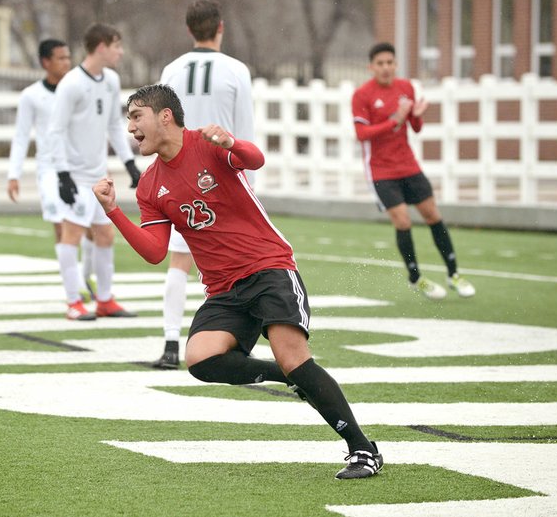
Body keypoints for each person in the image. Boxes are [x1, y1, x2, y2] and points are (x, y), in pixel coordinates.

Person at [92, 84, 383, 480]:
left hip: (268, 268)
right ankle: (287, 376)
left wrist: (232, 141)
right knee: (200, 359)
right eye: (128, 120)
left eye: (136, 116)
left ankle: (362, 449)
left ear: (165, 116)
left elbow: (255, 159)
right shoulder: (149, 185)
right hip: (224, 289)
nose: (130, 128)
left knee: (294, 355)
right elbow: (154, 252)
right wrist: (113, 212)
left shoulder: (209, 144)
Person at [152, 0, 255, 369]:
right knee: (241, 265)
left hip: (183, 176)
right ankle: (240, 342)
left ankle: (169, 345)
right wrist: (252, 189)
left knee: (179, 261)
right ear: (220, 27)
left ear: (189, 29)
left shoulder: (172, 69)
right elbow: (245, 132)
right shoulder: (236, 70)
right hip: (224, 177)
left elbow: (158, 126)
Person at [351, 42, 475, 300]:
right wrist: (393, 120)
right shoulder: (362, 95)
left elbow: (415, 128)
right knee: (403, 221)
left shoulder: (406, 87)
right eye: (380, 63)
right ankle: (415, 277)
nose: (386, 68)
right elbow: (361, 134)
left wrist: (416, 116)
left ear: (396, 65)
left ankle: (454, 274)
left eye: (390, 63)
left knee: (432, 215)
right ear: (371, 67)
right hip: (381, 171)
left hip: (408, 165)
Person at [45, 23, 141, 320]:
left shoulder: (111, 80)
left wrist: (129, 163)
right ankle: (73, 302)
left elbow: (114, 124)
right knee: (71, 235)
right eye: (116, 46)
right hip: (73, 176)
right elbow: (55, 130)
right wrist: (62, 174)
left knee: (105, 235)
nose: (120, 52)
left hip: (99, 176)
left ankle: (105, 299)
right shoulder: (71, 84)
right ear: (101, 47)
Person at [6, 39, 97, 305]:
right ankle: (75, 288)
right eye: (61, 58)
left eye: (69, 57)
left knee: (93, 228)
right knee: (62, 226)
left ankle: (86, 275)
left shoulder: (79, 89)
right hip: (50, 170)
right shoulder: (31, 96)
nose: (67, 63)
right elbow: (21, 136)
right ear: (46, 62)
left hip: (80, 167)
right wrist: (14, 174)